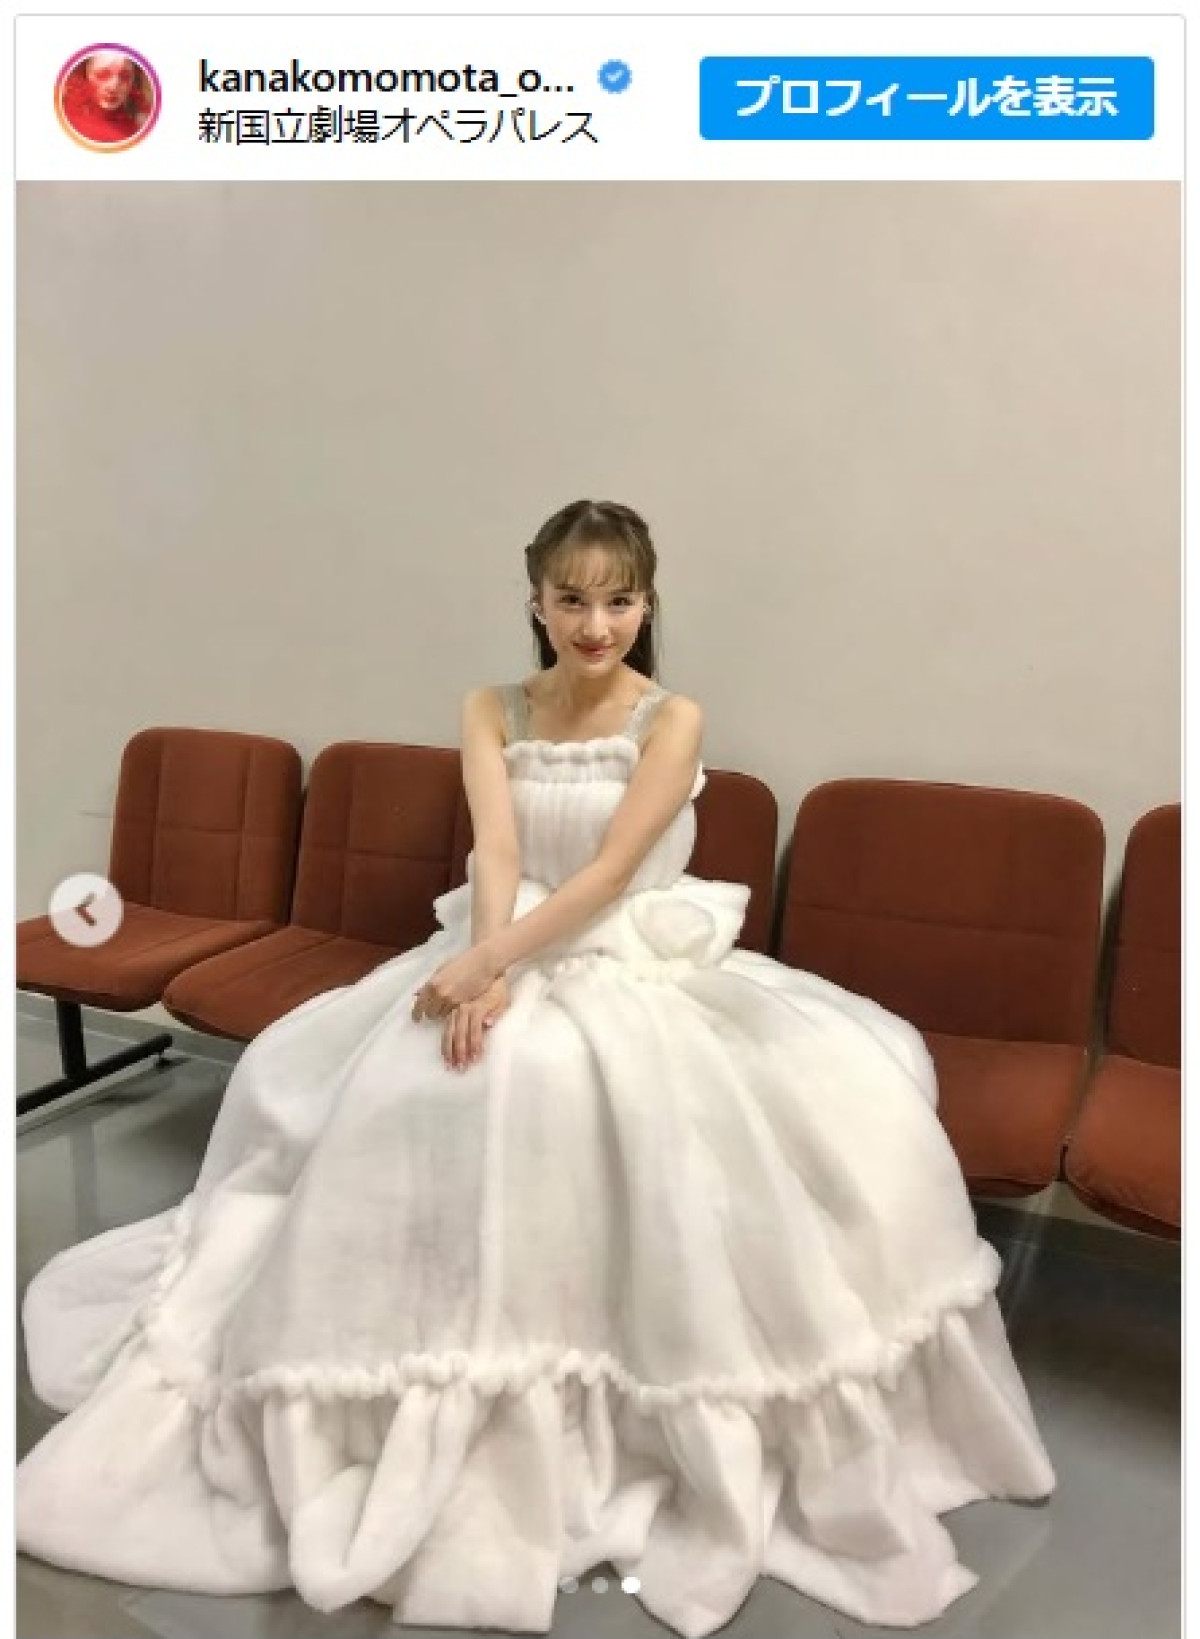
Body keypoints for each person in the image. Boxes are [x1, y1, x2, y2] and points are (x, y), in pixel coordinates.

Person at [16, 500, 1054, 1636]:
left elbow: (610, 873)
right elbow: (499, 849)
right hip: (501, 936)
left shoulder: (673, 718)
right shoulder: (491, 706)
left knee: (629, 1098)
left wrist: (494, 963)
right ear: (536, 600)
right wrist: (483, 965)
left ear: (648, 603)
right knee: (391, 1079)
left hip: (629, 953)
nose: (596, 623)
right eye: (572, 599)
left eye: (619, 599)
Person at [59, 51, 152, 146]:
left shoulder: (143, 128)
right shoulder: (63, 122)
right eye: (102, 75)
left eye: (125, 77)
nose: (113, 87)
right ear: (86, 75)